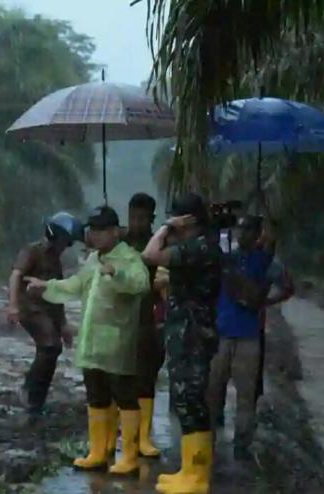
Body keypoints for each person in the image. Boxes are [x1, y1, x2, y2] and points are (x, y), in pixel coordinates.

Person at [26, 205, 149, 475]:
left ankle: (128, 456)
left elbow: (141, 284)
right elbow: (74, 286)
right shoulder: (93, 260)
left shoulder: (129, 258)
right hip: (92, 343)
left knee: (126, 397)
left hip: (117, 343)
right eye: (93, 230)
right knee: (96, 396)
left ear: (115, 231)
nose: (96, 235)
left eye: (102, 230)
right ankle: (98, 451)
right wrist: (45, 287)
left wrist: (117, 274)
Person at [142, 193, 221, 494]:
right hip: (184, 332)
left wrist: (163, 228)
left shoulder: (199, 247)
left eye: (176, 221)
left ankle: (198, 476)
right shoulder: (193, 248)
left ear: (187, 221)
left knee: (192, 400)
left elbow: (150, 255)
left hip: (194, 335)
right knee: (185, 400)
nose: (172, 229)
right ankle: (189, 470)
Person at [207, 215, 294, 460]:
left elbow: (287, 286)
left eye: (247, 230)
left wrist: (265, 302)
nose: (241, 234)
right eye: (239, 229)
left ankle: (241, 446)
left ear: (257, 235)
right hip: (222, 334)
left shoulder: (265, 261)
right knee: (212, 392)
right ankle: (208, 443)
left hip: (248, 337)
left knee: (246, 396)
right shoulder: (225, 259)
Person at [6, 212, 81, 418]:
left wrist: (63, 324)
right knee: (50, 345)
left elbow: (57, 293)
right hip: (29, 308)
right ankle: (29, 389)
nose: (65, 246)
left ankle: (36, 400)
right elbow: (16, 275)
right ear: (54, 235)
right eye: (64, 241)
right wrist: (13, 305)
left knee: (52, 350)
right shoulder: (32, 250)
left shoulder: (56, 261)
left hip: (47, 310)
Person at [108, 192, 165, 459]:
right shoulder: (119, 242)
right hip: (118, 319)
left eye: (142, 218)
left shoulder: (159, 245)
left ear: (151, 219)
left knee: (145, 378)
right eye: (133, 217)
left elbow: (164, 282)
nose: (137, 223)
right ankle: (116, 436)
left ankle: (144, 436)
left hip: (147, 319)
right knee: (116, 378)